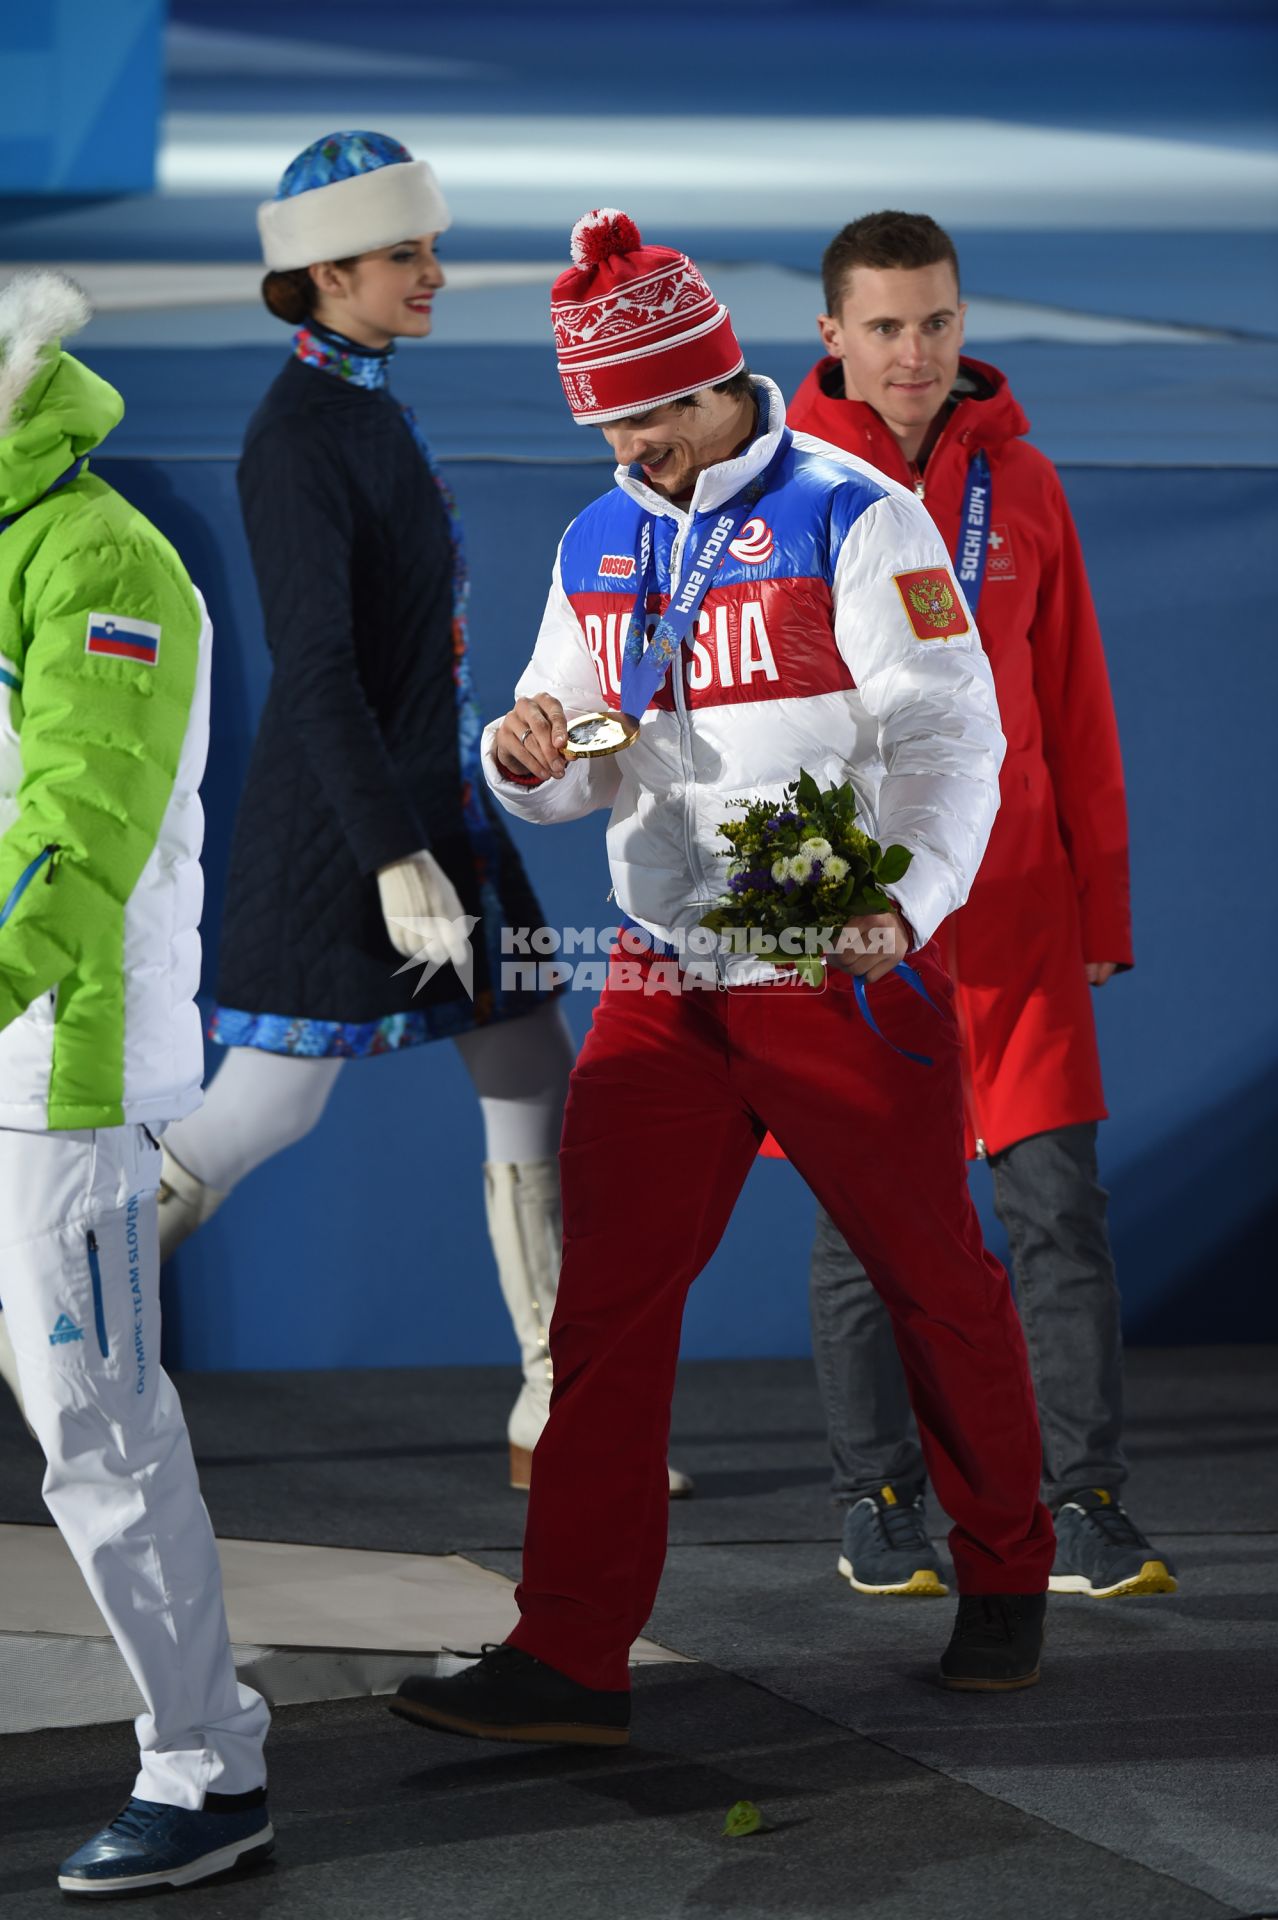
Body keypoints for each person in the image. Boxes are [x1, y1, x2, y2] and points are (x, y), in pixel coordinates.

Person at [388, 208, 1056, 1747]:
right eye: (610, 426)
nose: (638, 450)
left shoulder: (854, 514)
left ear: (719, 382)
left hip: (834, 970)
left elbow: (957, 736)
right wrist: (521, 756)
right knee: (602, 1319)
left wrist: (903, 903)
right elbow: (572, 744)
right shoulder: (600, 534)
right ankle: (567, 1653)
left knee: (935, 1289)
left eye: (656, 418)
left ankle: (1006, 1571)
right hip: (661, 983)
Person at [149, 133, 691, 1498]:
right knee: (266, 1109)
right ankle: (48, 1304)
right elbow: (315, 670)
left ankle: (552, 1398)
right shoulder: (298, 438)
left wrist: (431, 832)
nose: (434, 273)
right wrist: (391, 855)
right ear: (326, 272)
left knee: (527, 1064)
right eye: (408, 255)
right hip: (352, 834)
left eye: (428, 249)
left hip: (435, 812)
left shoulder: (367, 404)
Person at [785, 209, 1173, 1601]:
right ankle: (875, 1497)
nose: (913, 353)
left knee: (1056, 1214)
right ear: (830, 334)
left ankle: (1086, 1506)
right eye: (883, 326)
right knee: (867, 1219)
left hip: (1011, 914)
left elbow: (1075, 706)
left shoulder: (1025, 483)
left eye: (935, 322)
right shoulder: (779, 485)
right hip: (862, 917)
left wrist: (1099, 909)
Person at [0, 270, 271, 1894]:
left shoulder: (107, 560)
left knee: (98, 1429)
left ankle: (207, 1764)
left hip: (61, 1070)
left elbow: (75, 840)